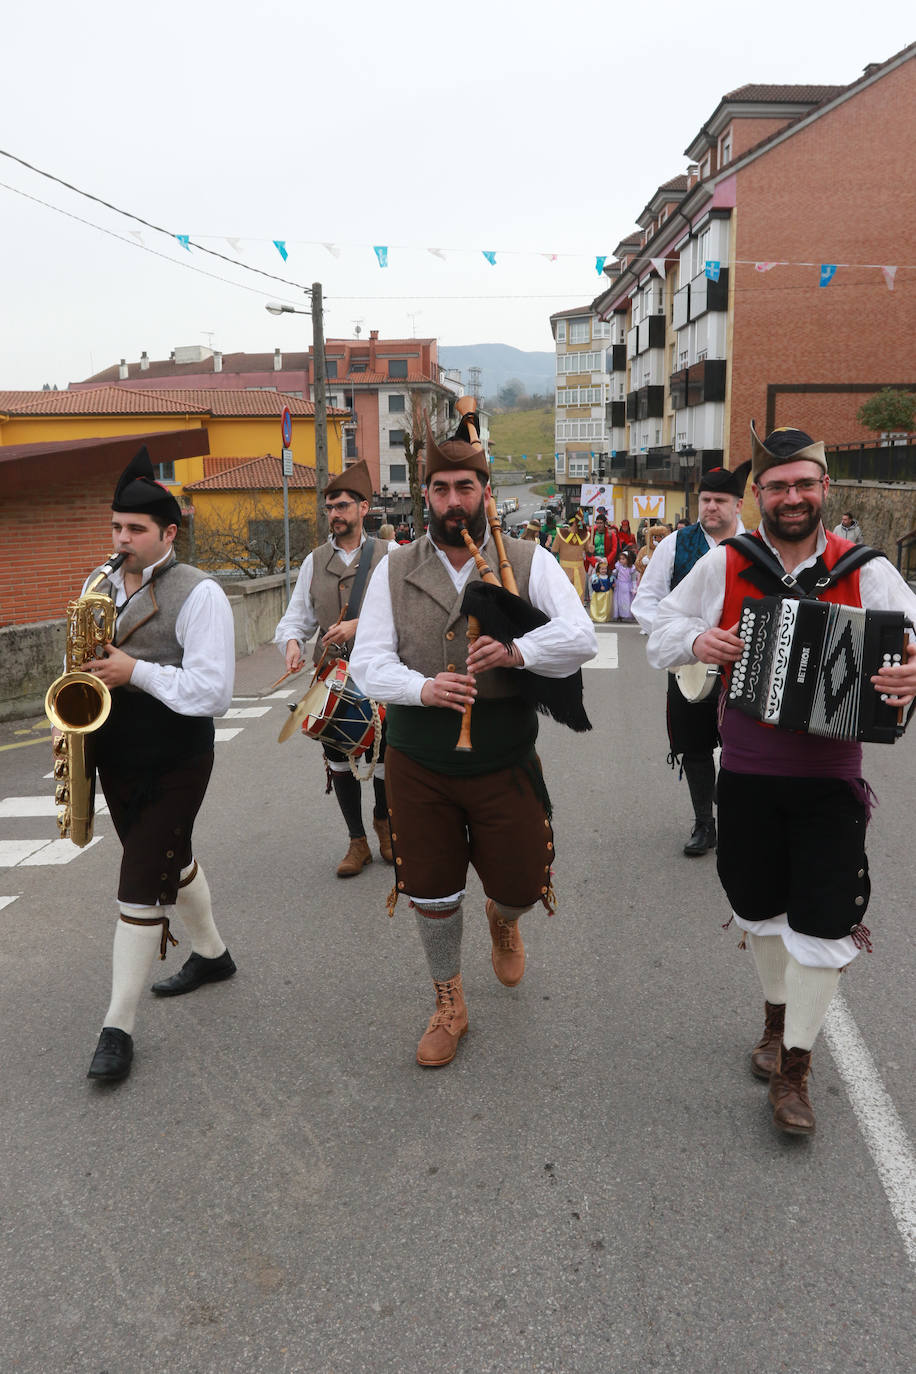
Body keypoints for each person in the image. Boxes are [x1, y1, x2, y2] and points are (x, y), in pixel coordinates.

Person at [647, 425, 916, 1136]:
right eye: (777, 486)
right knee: (758, 906)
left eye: (804, 484)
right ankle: (774, 1020)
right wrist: (697, 640)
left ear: (825, 489)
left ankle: (795, 1071)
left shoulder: (867, 567)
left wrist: (911, 668)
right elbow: (658, 631)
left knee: (825, 920)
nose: (791, 497)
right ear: (757, 495)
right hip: (748, 775)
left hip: (831, 782)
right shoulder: (727, 563)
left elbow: (915, 641)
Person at [349, 425, 597, 1069]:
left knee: (520, 879)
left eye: (465, 486)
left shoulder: (528, 557)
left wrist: (519, 650)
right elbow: (368, 664)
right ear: (425, 497)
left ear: (486, 493)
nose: (452, 499)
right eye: (440, 488)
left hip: (503, 755)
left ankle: (504, 918)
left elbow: (581, 637)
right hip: (420, 760)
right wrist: (425, 688)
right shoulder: (395, 568)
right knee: (430, 887)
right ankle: (449, 1001)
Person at [79, 447, 236, 1083]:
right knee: (171, 854)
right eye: (116, 527)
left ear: (169, 534)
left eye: (135, 530)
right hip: (115, 751)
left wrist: (134, 670)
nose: (122, 541)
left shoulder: (201, 594)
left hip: (177, 755)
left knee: (140, 876)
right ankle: (213, 954)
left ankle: (116, 1027)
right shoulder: (99, 584)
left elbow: (214, 694)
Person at [274, 461, 398, 877]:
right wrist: (292, 643)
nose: (334, 514)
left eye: (342, 506)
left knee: (383, 754)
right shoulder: (314, 561)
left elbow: (407, 612)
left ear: (364, 508)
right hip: (332, 676)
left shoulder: (391, 555)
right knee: (338, 755)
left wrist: (358, 625)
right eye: (329, 507)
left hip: (381, 670)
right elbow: (295, 619)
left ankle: (384, 821)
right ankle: (356, 841)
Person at [632, 464, 749, 856]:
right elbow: (646, 602)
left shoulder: (759, 546)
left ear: (739, 504)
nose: (711, 507)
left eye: (720, 501)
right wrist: (681, 641)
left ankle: (744, 818)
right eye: (705, 500)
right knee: (696, 746)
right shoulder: (675, 544)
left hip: (745, 666)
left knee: (746, 744)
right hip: (689, 666)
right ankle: (705, 824)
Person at [554, 515, 589, 602]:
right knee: (564, 597)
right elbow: (554, 552)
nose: (582, 523)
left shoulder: (584, 535)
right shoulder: (560, 535)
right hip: (564, 571)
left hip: (579, 571)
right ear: (574, 523)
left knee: (579, 598)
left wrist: (591, 550)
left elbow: (589, 553)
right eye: (580, 521)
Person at [613, 547, 639, 622]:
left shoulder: (631, 569)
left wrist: (634, 588)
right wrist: (613, 581)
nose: (621, 560)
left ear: (628, 559)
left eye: (623, 559)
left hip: (627, 586)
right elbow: (615, 575)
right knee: (619, 601)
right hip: (619, 586)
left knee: (626, 601)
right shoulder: (619, 567)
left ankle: (626, 614)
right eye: (620, 559)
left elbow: (634, 579)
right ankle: (619, 614)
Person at [589, 559, 614, 624]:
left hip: (606, 594)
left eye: (605, 569)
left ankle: (605, 617)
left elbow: (610, 583)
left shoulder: (608, 577)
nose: (604, 570)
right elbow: (593, 586)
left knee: (605, 607)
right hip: (598, 594)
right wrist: (599, 587)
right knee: (598, 606)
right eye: (602, 569)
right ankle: (597, 616)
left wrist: (612, 584)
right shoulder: (596, 577)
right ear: (598, 570)